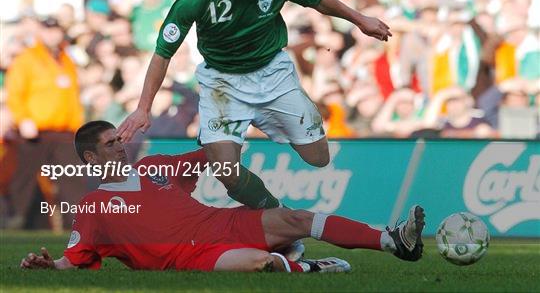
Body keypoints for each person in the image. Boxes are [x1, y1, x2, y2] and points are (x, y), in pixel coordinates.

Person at [118, 0, 392, 216]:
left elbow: (318, 0)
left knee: (318, 157)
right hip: (222, 84)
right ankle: (281, 217)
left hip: (273, 75)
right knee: (227, 172)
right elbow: (162, 53)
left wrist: (360, 20)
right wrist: (144, 107)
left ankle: (264, 125)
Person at [20, 121, 425, 272]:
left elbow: (215, 154)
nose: (122, 145)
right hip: (191, 258)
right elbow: (75, 261)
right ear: (91, 157)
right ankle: (315, 268)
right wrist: (47, 265)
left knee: (298, 217)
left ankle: (394, 241)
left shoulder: (154, 166)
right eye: (111, 143)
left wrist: (222, 125)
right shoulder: (93, 207)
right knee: (259, 264)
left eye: (120, 138)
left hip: (223, 222)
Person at [5, 18, 86, 229]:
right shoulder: (27, 59)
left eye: (56, 30)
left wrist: (78, 125)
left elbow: (73, 96)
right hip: (36, 129)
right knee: (25, 177)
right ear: (41, 32)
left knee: (71, 178)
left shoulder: (67, 59)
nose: (52, 35)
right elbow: (15, 93)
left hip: (65, 131)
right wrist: (23, 120)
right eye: (48, 30)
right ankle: (17, 220)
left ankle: (77, 223)